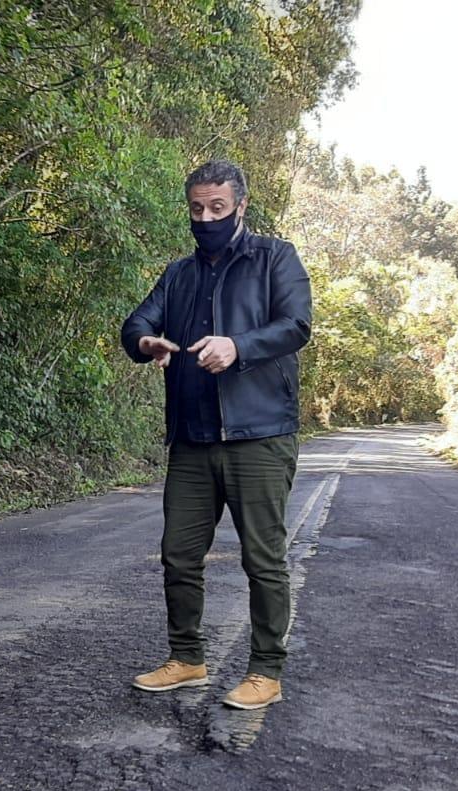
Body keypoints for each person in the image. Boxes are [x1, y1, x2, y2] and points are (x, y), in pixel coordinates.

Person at [120, 159, 312, 710]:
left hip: (260, 435)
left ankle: (266, 671)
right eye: (197, 209)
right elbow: (137, 323)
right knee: (178, 555)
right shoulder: (179, 274)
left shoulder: (275, 257)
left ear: (240, 206)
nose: (206, 218)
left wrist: (238, 346)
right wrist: (147, 343)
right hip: (192, 438)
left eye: (217, 208)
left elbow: (296, 325)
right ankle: (187, 659)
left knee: (263, 560)